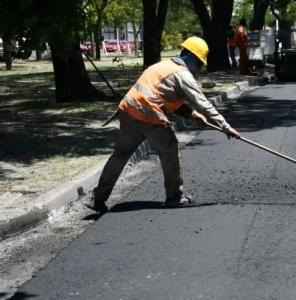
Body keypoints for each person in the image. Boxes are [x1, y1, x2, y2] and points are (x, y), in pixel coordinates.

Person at [85, 36, 241, 214]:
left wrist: (192, 114)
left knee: (120, 154)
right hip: (147, 114)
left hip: (128, 111)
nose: (199, 67)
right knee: (169, 148)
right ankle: (175, 196)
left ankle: (98, 198)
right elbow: (203, 103)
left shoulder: (163, 66)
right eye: (198, 62)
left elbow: (165, 97)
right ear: (190, 56)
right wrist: (225, 126)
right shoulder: (182, 74)